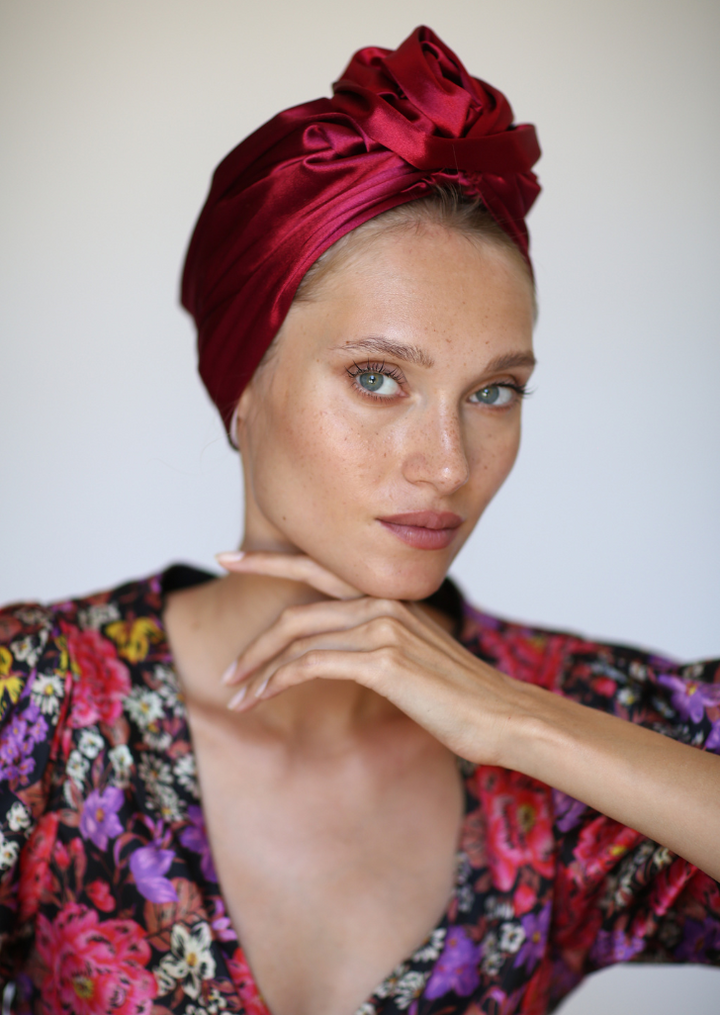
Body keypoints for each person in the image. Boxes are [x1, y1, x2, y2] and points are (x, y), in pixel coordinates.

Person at [0, 25, 717, 1015]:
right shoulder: (37, 707)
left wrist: (523, 724)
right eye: (378, 378)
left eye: (494, 392)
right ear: (242, 385)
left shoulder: (578, 732)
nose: (448, 463)